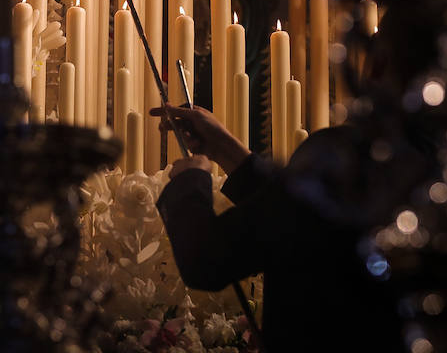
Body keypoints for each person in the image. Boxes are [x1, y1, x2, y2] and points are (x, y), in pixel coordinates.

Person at [151, 103, 405, 351]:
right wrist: (224, 148)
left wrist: (189, 182)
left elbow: (206, 258)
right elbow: (297, 218)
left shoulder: (347, 154)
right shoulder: (419, 156)